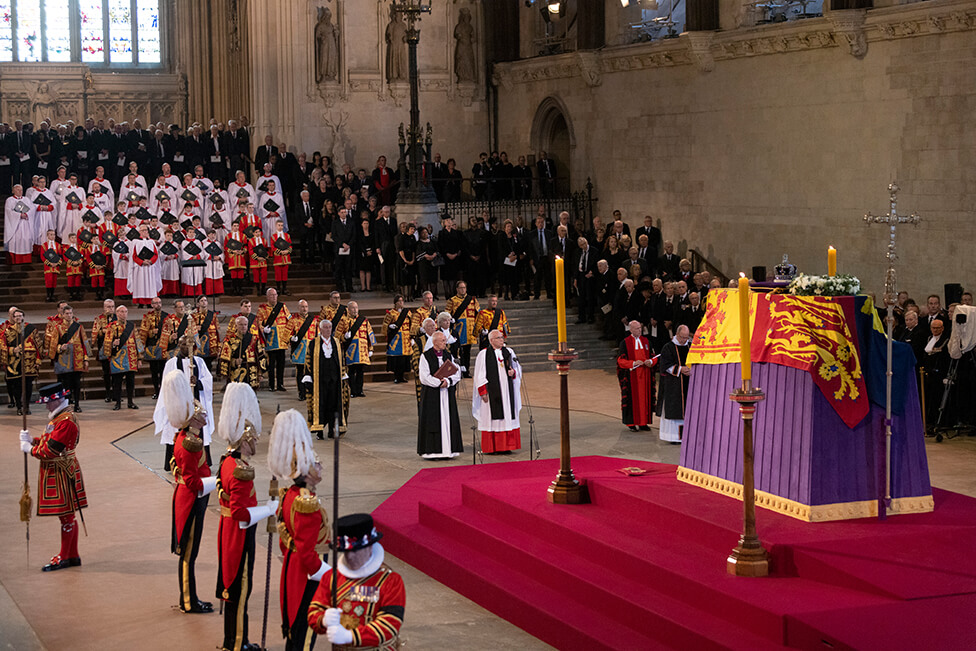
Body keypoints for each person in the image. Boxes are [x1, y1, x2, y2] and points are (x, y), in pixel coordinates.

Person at [215, 382, 276, 651]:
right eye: (252, 439)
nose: (255, 442)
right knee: (240, 591)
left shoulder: (226, 462)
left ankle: (232, 640)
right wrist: (270, 509)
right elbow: (241, 513)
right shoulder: (240, 470)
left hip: (228, 533)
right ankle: (238, 643)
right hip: (239, 536)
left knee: (234, 592)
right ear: (243, 440)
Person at [267, 410, 331, 650]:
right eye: (316, 464)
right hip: (306, 573)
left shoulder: (289, 495)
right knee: (303, 635)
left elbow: (287, 539)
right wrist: (330, 573)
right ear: (306, 470)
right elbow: (307, 553)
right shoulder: (306, 502)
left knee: (296, 631)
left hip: (293, 567)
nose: (320, 467)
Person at [307, 513, 404, 648]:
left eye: (356, 550)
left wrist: (351, 636)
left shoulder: (390, 581)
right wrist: (323, 619)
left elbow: (390, 624)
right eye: (345, 551)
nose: (350, 556)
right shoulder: (331, 577)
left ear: (370, 546)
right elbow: (314, 610)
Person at [162, 370, 216, 614]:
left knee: (190, 552)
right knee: (188, 553)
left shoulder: (185, 436)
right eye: (199, 413)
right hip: (192, 499)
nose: (203, 414)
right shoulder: (189, 443)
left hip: (191, 497)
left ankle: (190, 597)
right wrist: (218, 482)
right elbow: (194, 481)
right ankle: (187, 600)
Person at [19, 382, 88, 571]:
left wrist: (30, 449)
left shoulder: (65, 421)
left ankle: (64, 557)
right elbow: (49, 440)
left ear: (56, 400)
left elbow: (50, 450)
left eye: (48, 402)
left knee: (66, 516)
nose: (46, 406)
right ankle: (72, 555)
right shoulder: (59, 418)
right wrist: (32, 440)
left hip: (61, 470)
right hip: (61, 469)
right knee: (67, 516)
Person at [154, 330, 216, 471]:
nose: (185, 347)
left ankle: (201, 462)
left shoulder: (199, 362)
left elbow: (208, 381)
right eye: (182, 344)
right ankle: (176, 462)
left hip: (196, 403)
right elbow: (165, 384)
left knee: (199, 431)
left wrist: (198, 382)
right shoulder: (171, 363)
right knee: (176, 432)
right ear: (178, 345)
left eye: (189, 345)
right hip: (178, 405)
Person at [472, 330, 522, 454]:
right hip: (492, 393)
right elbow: (479, 375)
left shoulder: (509, 352)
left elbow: (517, 368)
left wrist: (513, 372)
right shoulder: (483, 355)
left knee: (507, 416)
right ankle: (492, 447)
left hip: (507, 391)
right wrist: (483, 391)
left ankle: (506, 446)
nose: (502, 340)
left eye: (502, 337)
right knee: (492, 417)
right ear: (491, 340)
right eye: (499, 338)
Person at [417, 331, 463, 459]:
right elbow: (424, 377)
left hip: (447, 394)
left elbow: (456, 373)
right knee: (433, 420)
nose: (445, 343)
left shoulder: (448, 355)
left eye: (445, 340)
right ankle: (432, 452)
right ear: (434, 342)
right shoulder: (425, 356)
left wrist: (447, 381)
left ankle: (449, 450)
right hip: (432, 394)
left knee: (449, 420)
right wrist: (438, 383)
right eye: (442, 340)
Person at [302, 319, 349, 440]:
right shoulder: (314, 343)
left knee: (333, 405)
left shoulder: (337, 342)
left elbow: (341, 359)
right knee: (321, 405)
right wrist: (308, 376)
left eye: (330, 327)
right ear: (320, 329)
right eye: (326, 327)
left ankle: (332, 430)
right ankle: (319, 431)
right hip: (320, 381)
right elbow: (308, 361)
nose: (328, 330)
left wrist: (343, 374)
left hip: (334, 380)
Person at [44, 303, 88, 413]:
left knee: (77, 383)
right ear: (62, 315)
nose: (69, 315)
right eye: (67, 313)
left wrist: (86, 359)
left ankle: (77, 404)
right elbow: (53, 346)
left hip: (77, 359)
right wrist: (60, 347)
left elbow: (85, 343)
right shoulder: (57, 328)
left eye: (71, 313)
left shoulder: (79, 327)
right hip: (64, 360)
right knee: (66, 384)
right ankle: (67, 405)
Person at [617, 320, 657, 433]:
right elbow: (620, 361)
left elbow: (654, 356)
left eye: (640, 328)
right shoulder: (625, 343)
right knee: (632, 400)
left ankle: (643, 423)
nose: (639, 330)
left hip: (645, 377)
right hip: (632, 377)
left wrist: (651, 362)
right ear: (631, 330)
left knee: (645, 399)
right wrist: (633, 363)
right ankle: (632, 423)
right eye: (636, 328)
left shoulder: (646, 341)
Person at [1, 308, 41, 414]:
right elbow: (3, 347)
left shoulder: (31, 329)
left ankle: (27, 406)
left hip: (29, 363)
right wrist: (12, 350)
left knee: (28, 386)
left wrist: (38, 360)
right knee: (17, 387)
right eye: (16, 316)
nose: (18, 318)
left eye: (20, 316)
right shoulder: (7, 331)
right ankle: (19, 406)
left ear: (23, 317)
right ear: (13, 318)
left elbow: (38, 346)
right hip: (14, 364)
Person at [657, 324, 691, 443]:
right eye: (682, 337)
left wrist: (691, 370)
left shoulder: (690, 347)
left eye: (686, 337)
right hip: (673, 386)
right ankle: (673, 437)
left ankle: (687, 436)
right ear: (677, 334)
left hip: (688, 384)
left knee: (687, 409)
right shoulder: (668, 347)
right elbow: (664, 366)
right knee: (674, 411)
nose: (684, 340)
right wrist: (680, 369)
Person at [105, 304, 142, 410]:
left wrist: (139, 358)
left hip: (131, 357)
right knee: (117, 382)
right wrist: (113, 343)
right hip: (117, 358)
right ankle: (118, 403)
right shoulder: (111, 327)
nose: (124, 314)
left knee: (131, 382)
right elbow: (106, 343)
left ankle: (130, 402)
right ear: (117, 313)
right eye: (121, 312)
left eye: (125, 312)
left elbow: (137, 341)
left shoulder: (131, 326)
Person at [335, 301, 374, 398]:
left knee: (360, 371)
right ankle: (353, 390)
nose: (355, 310)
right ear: (348, 309)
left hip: (362, 350)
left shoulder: (364, 320)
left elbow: (370, 335)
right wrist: (344, 337)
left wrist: (371, 349)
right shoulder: (343, 320)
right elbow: (337, 336)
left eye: (356, 308)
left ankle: (360, 390)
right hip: (351, 351)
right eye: (353, 308)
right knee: (351, 371)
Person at [258, 287, 292, 392]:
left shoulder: (283, 307)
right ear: (267, 297)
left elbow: (290, 320)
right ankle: (271, 385)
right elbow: (258, 324)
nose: (274, 297)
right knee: (271, 364)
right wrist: (264, 330)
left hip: (282, 340)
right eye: (272, 295)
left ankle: (280, 384)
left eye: (275, 295)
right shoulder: (262, 309)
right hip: (271, 340)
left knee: (281, 364)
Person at [218, 316, 266, 389]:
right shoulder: (229, 341)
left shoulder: (254, 339)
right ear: (236, 326)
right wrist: (234, 362)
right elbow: (223, 359)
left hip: (251, 372)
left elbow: (260, 357)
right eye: (241, 324)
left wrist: (260, 374)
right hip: (236, 374)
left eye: (245, 324)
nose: (243, 327)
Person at [446, 280, 479, 377]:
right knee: (458, 351)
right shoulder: (452, 300)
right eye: (461, 288)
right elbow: (446, 313)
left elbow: (478, 313)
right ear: (457, 289)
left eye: (464, 287)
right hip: (459, 329)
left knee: (467, 351)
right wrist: (450, 319)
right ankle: (458, 371)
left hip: (470, 329)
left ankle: (466, 371)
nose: (463, 289)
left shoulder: (472, 300)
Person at [288, 299, 318, 401]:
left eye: (306, 307)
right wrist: (291, 338)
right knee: (300, 372)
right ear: (298, 308)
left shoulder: (313, 320)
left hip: (310, 349)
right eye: (302, 307)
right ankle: (301, 392)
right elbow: (286, 334)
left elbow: (317, 334)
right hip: (299, 350)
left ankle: (310, 391)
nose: (304, 309)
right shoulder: (293, 320)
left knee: (310, 372)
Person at [90, 298, 117, 403]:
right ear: (104, 308)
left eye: (112, 307)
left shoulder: (117, 318)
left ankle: (116, 393)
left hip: (116, 349)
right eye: (108, 307)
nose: (110, 309)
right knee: (106, 373)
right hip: (104, 348)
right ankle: (108, 393)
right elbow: (95, 333)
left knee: (116, 373)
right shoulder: (99, 319)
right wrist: (104, 331)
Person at [383, 294, 412, 384]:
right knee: (396, 359)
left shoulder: (408, 313)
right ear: (395, 303)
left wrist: (412, 336)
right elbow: (384, 325)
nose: (401, 303)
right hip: (396, 339)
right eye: (399, 301)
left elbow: (411, 325)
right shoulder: (390, 313)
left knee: (403, 359)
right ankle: (396, 376)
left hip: (405, 338)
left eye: (402, 301)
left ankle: (402, 376)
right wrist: (389, 326)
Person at [192, 295, 221, 370]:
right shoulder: (194, 315)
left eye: (205, 300)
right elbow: (189, 329)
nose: (204, 302)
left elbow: (217, 330)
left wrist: (219, 345)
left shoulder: (213, 315)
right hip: (199, 344)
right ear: (198, 304)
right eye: (202, 301)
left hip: (211, 343)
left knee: (209, 365)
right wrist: (195, 328)